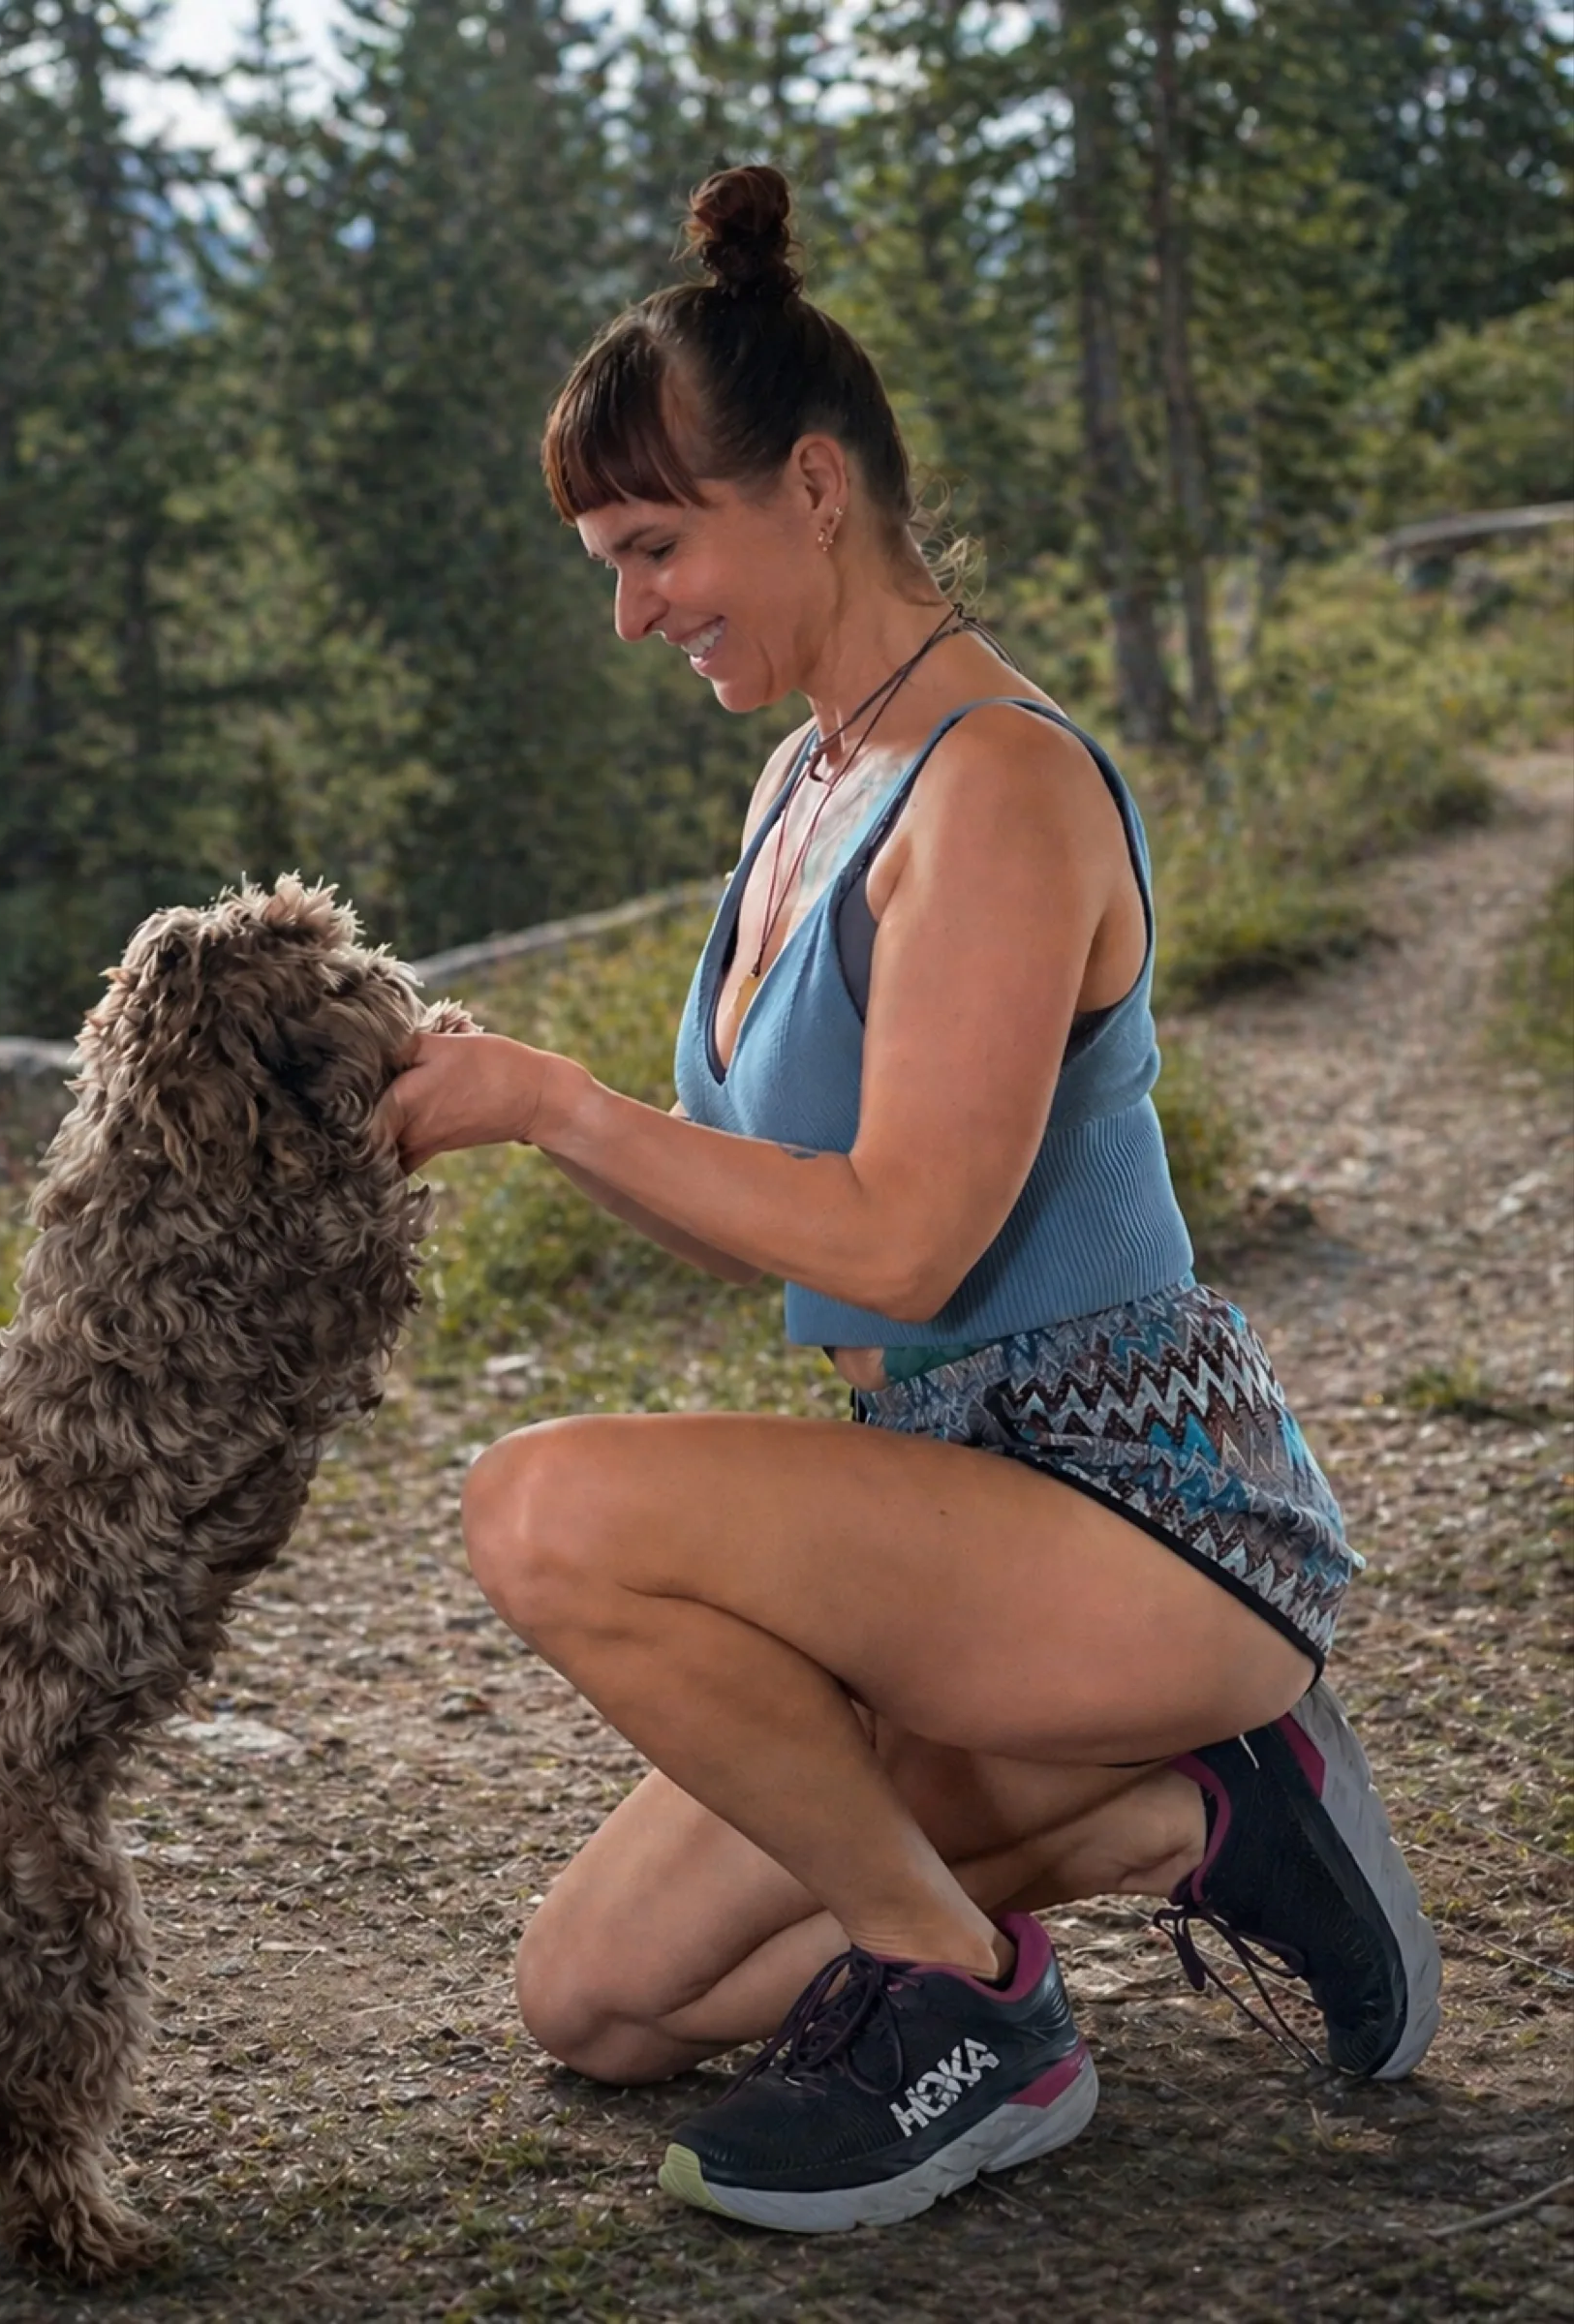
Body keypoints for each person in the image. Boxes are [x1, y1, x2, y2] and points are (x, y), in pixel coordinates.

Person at [379, 164, 1439, 2234]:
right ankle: (1192, 1815)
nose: (631, 612)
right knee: (595, 1999)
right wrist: (506, 1113)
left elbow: (898, 1244)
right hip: (937, 1502)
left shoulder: (999, 787)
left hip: (1133, 1507)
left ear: (809, 490)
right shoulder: (803, 776)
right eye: (604, 562)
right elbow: (767, 1221)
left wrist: (558, 1104)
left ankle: (975, 2007)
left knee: (540, 1502)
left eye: (653, 548)